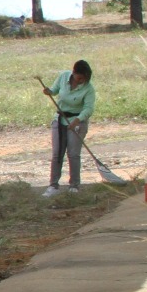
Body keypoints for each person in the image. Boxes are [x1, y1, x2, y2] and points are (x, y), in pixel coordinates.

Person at [42, 59, 96, 194]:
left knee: (73, 154)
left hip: (77, 122)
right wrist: (49, 91)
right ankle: (53, 185)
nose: (82, 81)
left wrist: (77, 121)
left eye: (84, 78)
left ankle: (74, 186)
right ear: (73, 73)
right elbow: (54, 90)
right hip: (60, 119)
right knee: (57, 154)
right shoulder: (63, 76)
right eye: (79, 78)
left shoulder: (89, 89)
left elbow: (88, 109)